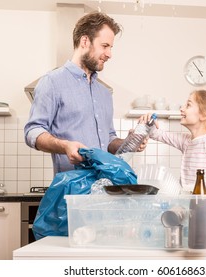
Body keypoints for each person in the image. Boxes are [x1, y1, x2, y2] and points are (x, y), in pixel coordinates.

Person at [24, 12, 143, 176]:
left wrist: (127, 143)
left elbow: (108, 140)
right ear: (85, 41)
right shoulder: (52, 82)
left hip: (104, 188)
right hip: (71, 190)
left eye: (111, 47)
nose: (109, 54)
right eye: (105, 46)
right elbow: (33, 131)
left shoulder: (105, 93)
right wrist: (65, 146)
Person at [140, 89, 206, 194]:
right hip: (188, 204)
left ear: (203, 115)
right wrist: (147, 122)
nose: (181, 109)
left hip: (204, 207)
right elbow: (156, 133)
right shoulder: (186, 141)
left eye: (188, 105)